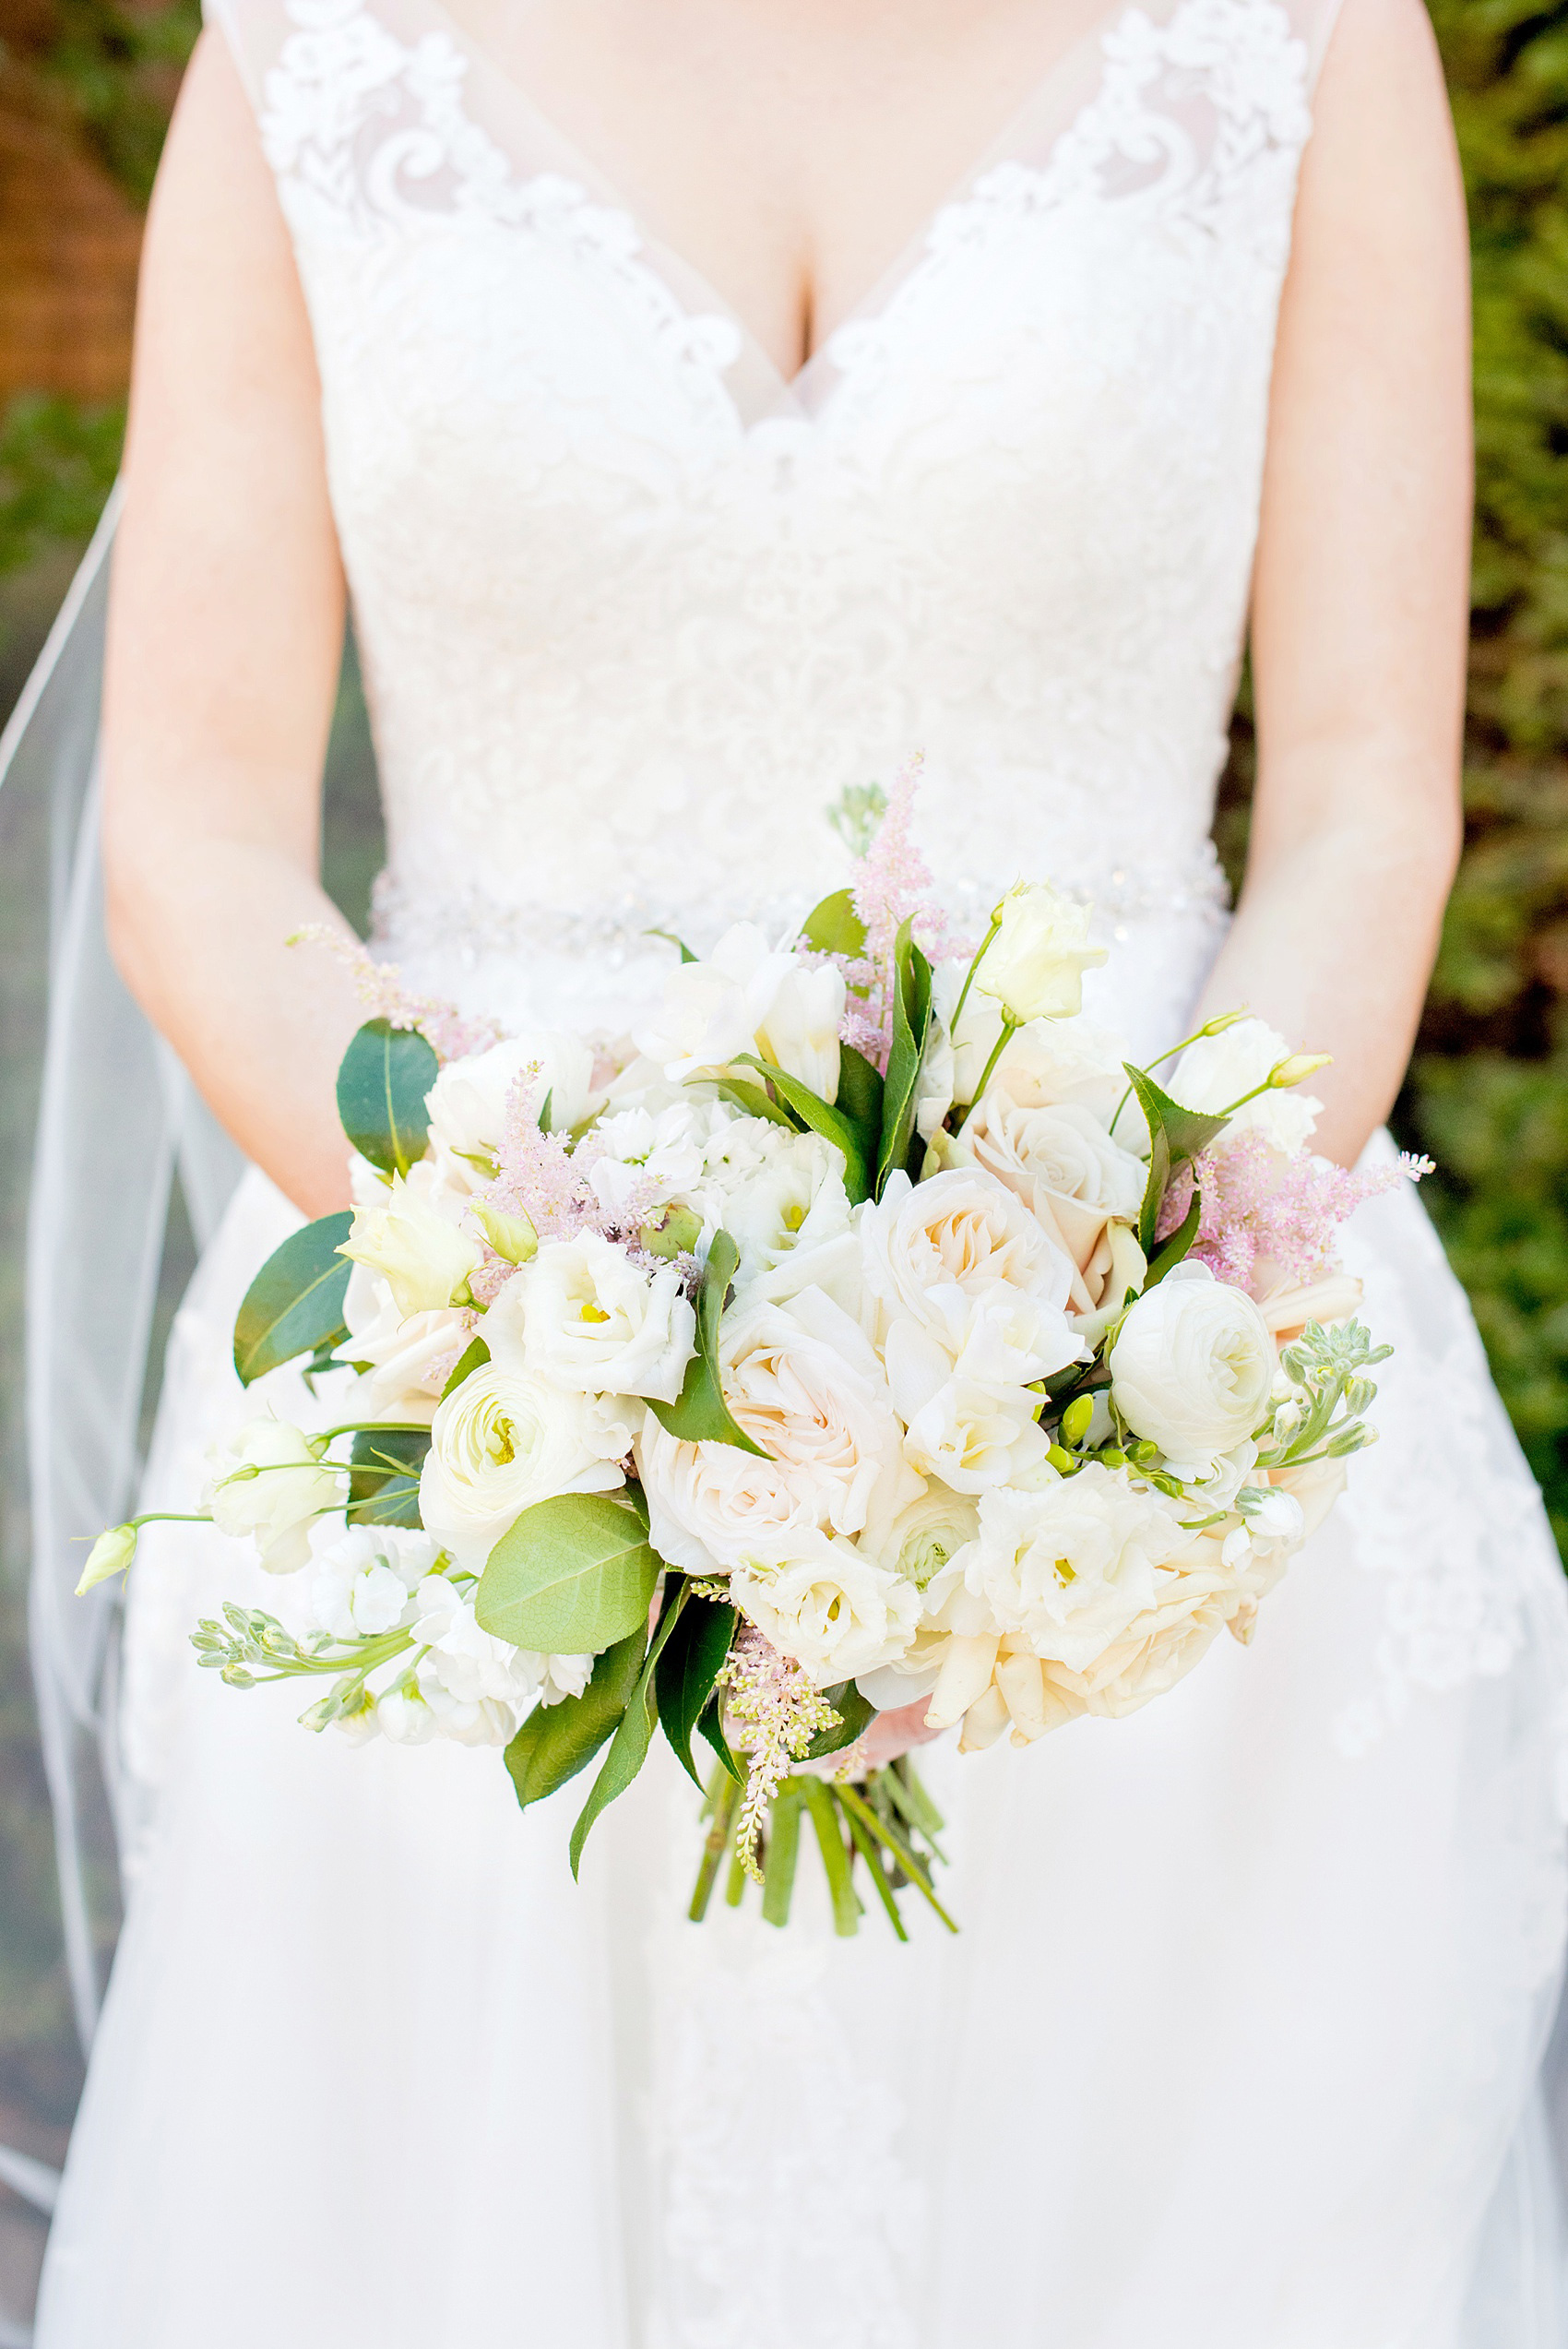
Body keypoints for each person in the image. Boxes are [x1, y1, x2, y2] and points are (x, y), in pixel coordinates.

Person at [31, 0, 1568, 2339]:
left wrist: (1114, 1300)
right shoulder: (317, 55)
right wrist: (531, 1281)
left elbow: (1360, 794)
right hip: (475, 1438)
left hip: (1158, 1456)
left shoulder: (1296, 35)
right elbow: (198, 835)